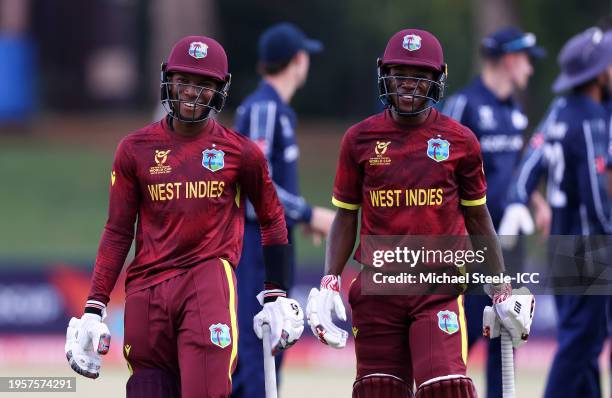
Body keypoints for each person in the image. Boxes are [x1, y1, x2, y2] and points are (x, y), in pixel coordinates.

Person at [63, 35, 305, 398]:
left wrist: (276, 294)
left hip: (206, 285)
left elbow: (272, 218)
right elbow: (117, 231)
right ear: (168, 80)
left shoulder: (240, 152)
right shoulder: (134, 150)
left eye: (204, 85)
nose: (193, 92)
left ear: (220, 89)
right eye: (184, 82)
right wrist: (94, 308)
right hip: (146, 293)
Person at [305, 28, 535, 397]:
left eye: (420, 77)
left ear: (437, 79)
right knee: (379, 390)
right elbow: (346, 215)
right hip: (379, 289)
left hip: (437, 288)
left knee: (446, 390)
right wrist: (329, 279)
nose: (409, 85)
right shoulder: (359, 139)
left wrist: (501, 288)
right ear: (385, 74)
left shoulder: (460, 141)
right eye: (400, 75)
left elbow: (478, 217)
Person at [501, 27, 612, 398]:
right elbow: (598, 199)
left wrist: (522, 202)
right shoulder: (594, 118)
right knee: (581, 344)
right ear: (598, 73)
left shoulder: (558, 111)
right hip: (592, 248)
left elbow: (527, 171)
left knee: (583, 343)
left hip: (561, 247)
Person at [441, 26, 549, 398]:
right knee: (465, 331)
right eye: (527, 61)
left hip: (509, 245)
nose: (530, 70)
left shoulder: (514, 113)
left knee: (506, 332)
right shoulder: (464, 105)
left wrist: (536, 202)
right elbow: (440, 169)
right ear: (509, 59)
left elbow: (517, 171)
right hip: (471, 246)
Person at [230, 22, 334, 398]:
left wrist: (297, 218)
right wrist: (310, 214)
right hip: (257, 248)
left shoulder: (278, 111)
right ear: (297, 60)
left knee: (274, 343)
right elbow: (259, 184)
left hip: (275, 245)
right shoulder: (264, 109)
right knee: (259, 347)